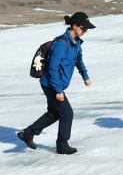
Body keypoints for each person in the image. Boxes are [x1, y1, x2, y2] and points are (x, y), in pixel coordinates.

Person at [17, 12, 95, 154]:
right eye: (83, 28)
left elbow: (78, 61)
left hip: (55, 84)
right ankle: (62, 144)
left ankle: (28, 133)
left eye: (87, 29)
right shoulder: (61, 43)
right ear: (74, 26)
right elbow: (53, 67)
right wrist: (58, 90)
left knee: (54, 113)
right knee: (67, 113)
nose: (85, 31)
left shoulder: (76, 43)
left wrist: (85, 76)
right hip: (51, 84)